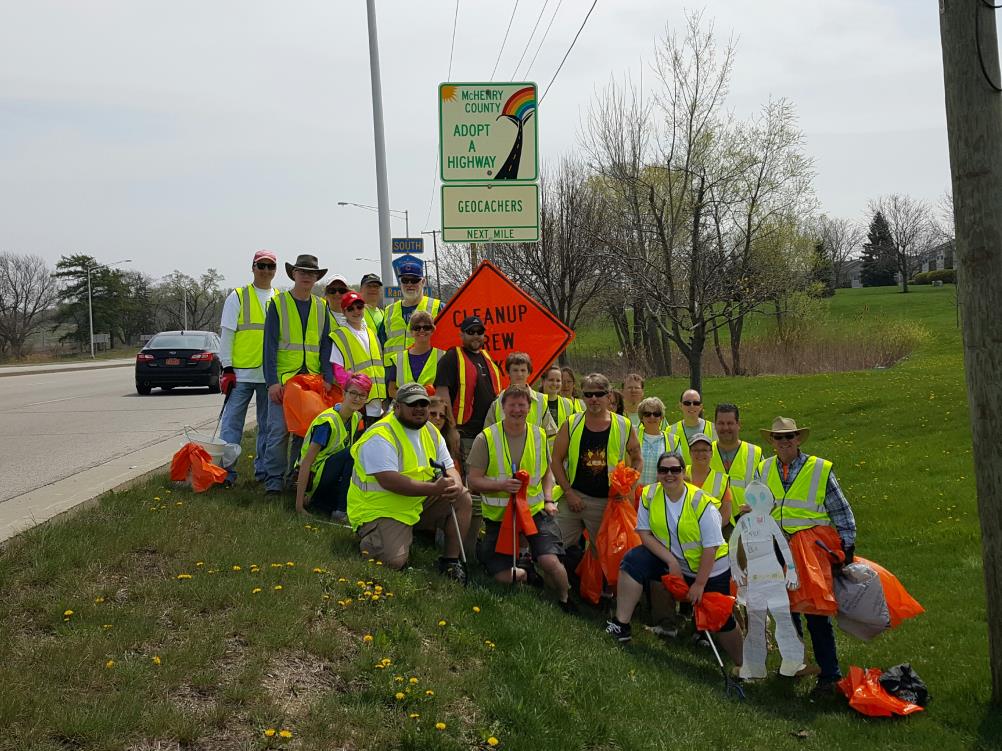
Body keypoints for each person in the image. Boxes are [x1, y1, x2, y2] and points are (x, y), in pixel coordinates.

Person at [604, 451, 743, 670]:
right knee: (633, 561)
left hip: (711, 569)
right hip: (676, 562)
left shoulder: (701, 503)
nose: (669, 474)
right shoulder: (649, 495)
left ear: (683, 472)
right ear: (658, 474)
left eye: (675, 470)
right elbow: (645, 534)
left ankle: (743, 664)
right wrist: (671, 562)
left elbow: (711, 547)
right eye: (663, 470)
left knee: (721, 619)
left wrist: (699, 584)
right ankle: (621, 626)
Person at [758, 416, 857, 694]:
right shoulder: (763, 469)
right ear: (773, 442)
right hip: (776, 548)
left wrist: (847, 549)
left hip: (810, 551)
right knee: (785, 611)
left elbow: (841, 511)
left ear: (799, 439)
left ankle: (829, 675)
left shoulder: (819, 469)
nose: (785, 442)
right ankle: (795, 664)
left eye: (790, 436)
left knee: (815, 613)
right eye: (779, 438)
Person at [347, 382, 472, 580]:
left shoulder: (431, 431)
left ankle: (450, 562)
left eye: (423, 404)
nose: (419, 409)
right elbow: (390, 481)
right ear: (397, 407)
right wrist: (434, 488)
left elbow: (450, 468)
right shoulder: (381, 434)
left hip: (416, 502)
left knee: (463, 497)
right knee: (392, 562)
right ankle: (370, 536)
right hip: (381, 509)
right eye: (412, 404)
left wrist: (455, 483)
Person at [467, 385, 574, 610]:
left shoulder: (539, 434)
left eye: (522, 405)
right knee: (502, 577)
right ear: (503, 407)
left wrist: (547, 499)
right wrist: (500, 485)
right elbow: (473, 481)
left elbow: (547, 472)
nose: (517, 410)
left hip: (535, 513)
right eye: (512, 405)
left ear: (529, 407)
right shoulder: (485, 438)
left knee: (550, 561)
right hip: (499, 517)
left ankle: (566, 598)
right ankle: (525, 573)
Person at [262, 254, 333, 494]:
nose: (306, 277)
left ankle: (295, 477)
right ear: (293, 274)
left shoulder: (322, 307)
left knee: (304, 433)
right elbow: (269, 346)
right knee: (279, 432)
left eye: (311, 273)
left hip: (312, 381)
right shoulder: (278, 303)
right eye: (302, 272)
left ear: (316, 278)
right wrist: (272, 382)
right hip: (284, 380)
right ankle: (273, 481)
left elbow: (326, 346)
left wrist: (327, 377)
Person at [434, 315, 503, 555]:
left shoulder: (486, 359)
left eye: (479, 332)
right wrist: (451, 430)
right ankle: (453, 546)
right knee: (461, 491)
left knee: (477, 493)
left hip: (485, 436)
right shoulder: (451, 357)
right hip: (462, 435)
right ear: (462, 334)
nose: (475, 336)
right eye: (470, 331)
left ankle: (472, 546)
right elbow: (442, 396)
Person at [550, 373, 642, 551]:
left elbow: (637, 458)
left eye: (599, 394)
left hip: (606, 502)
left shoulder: (624, 425)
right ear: (582, 396)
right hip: (573, 497)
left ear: (609, 396)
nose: (593, 399)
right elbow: (556, 460)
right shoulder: (571, 423)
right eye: (588, 394)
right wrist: (568, 492)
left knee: (604, 555)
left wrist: (628, 487)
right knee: (553, 548)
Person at [217, 249, 278, 486]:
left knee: (267, 427)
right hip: (241, 374)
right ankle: (226, 473)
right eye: (261, 266)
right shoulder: (238, 296)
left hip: (268, 376)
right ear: (253, 267)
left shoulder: (279, 298)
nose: (265, 271)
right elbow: (227, 335)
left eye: (270, 266)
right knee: (232, 425)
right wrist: (227, 368)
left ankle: (262, 472)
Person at [295, 374, 370, 521]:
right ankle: (340, 511)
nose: (357, 398)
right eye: (353, 393)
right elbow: (306, 463)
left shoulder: (355, 417)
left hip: (331, 475)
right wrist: (299, 506)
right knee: (353, 452)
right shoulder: (327, 422)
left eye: (362, 395)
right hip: (314, 477)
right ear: (343, 393)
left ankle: (325, 503)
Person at [330, 290, 386, 424]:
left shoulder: (371, 333)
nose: (356, 311)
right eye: (350, 308)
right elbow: (338, 371)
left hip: (379, 403)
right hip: (359, 405)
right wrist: (354, 396)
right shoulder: (340, 335)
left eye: (359, 307)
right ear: (344, 312)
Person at [380, 259, 442, 366]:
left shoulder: (437, 307)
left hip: (427, 368)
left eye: (414, 280)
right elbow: (380, 344)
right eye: (405, 280)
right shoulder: (388, 311)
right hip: (395, 371)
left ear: (423, 282)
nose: (409, 284)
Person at [709, 403, 762, 521]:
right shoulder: (705, 453)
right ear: (715, 425)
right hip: (714, 523)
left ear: (738, 424)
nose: (725, 428)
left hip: (747, 522)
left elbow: (766, 491)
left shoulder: (755, 453)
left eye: (730, 423)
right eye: (721, 423)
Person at [484, 352, 556, 435]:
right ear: (508, 372)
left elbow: (551, 435)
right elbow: (487, 435)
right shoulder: (498, 402)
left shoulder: (541, 401)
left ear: (529, 373)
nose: (519, 374)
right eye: (515, 370)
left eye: (523, 370)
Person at [386, 311, 443, 395]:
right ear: (411, 332)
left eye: (426, 327)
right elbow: (391, 391)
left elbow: (445, 390)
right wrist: (409, 398)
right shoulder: (398, 359)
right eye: (417, 328)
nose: (422, 330)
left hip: (432, 406)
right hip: (404, 406)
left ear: (432, 330)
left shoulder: (442, 357)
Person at [686, 433, 733, 530]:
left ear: (711, 453)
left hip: (711, 535)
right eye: (696, 450)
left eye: (704, 450)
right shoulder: (680, 473)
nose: (700, 453)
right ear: (690, 452)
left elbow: (726, 515)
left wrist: (709, 532)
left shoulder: (721, 480)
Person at [667, 388, 717, 466]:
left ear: (701, 407)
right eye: (687, 403)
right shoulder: (670, 431)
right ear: (680, 405)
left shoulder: (714, 429)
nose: (692, 406)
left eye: (696, 403)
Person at [636, 396, 674, 487]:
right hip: (635, 495)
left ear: (661, 417)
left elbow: (678, 469)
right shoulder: (633, 437)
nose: (652, 417)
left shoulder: (673, 440)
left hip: (661, 493)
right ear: (641, 417)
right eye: (647, 414)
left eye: (656, 414)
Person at [539, 365, 578, 440]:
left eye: (558, 380)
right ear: (543, 381)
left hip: (563, 451)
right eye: (551, 380)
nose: (554, 383)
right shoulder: (534, 402)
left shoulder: (568, 404)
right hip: (540, 450)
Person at [428, 396, 462, 471]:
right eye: (433, 414)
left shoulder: (451, 441)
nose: (437, 418)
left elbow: (454, 471)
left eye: (442, 415)